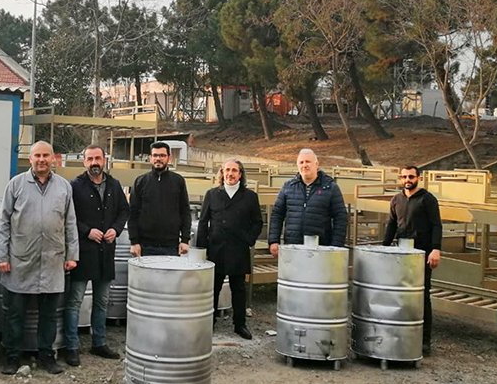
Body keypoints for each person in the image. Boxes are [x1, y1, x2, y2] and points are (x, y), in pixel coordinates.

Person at [0, 141, 79, 376]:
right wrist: (1, 255)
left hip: (53, 260)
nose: (41, 159)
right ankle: (12, 357)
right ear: (30, 158)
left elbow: (70, 223)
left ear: (53, 158)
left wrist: (72, 255)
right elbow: (3, 222)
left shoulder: (63, 187)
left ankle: (46, 356)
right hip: (20, 260)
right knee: (15, 314)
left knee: (49, 315)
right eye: (37, 155)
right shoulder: (16, 185)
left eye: (46, 155)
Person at [64, 145, 129, 366]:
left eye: (98, 158)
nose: (94, 162)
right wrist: (87, 231)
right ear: (84, 162)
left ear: (104, 160)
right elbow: (68, 216)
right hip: (83, 252)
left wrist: (116, 229)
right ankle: (71, 346)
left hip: (106, 253)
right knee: (75, 302)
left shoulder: (114, 185)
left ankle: (99, 343)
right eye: (90, 158)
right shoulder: (75, 186)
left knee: (102, 302)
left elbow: (124, 211)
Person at [196, 160, 262, 340]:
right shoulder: (212, 194)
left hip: (238, 248)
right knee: (214, 288)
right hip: (216, 249)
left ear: (240, 174)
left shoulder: (250, 196)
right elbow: (203, 223)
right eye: (227, 170)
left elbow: (257, 222)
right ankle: (210, 322)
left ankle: (239, 324)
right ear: (222, 172)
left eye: (234, 170)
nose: (230, 173)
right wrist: (201, 249)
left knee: (238, 288)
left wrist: (249, 240)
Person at [381, 165, 443, 355]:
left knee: (422, 296)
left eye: (411, 176)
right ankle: (400, 334)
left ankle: (424, 341)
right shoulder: (397, 199)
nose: (407, 179)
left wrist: (436, 249)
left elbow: (436, 225)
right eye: (404, 176)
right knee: (400, 295)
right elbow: (392, 224)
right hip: (401, 253)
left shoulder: (427, 199)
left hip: (422, 254)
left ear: (419, 178)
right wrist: (383, 249)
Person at [267, 148, 347, 255]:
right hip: (293, 247)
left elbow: (340, 217)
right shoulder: (288, 187)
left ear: (316, 164)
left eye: (308, 161)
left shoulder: (330, 188)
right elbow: (277, 214)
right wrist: (273, 240)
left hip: (321, 249)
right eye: (301, 162)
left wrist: (336, 247)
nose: (304, 165)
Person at [129, 141, 191, 257]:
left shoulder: (178, 181)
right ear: (150, 158)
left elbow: (185, 212)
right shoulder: (140, 182)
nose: (158, 159)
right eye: (155, 155)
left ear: (169, 158)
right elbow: (132, 214)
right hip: (145, 246)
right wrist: (134, 242)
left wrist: (185, 240)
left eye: (162, 155)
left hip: (171, 246)